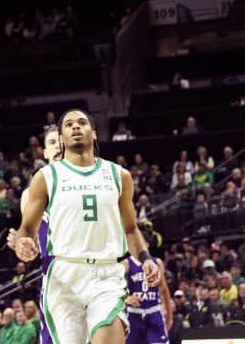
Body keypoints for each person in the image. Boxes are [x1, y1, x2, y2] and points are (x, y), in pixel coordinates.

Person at [14, 109, 160, 344]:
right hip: (64, 276)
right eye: (69, 124)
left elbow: (131, 229)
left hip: (106, 275)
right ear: (61, 139)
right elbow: (27, 229)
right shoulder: (46, 177)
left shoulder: (118, 175)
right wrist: (23, 243)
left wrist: (146, 258)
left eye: (82, 122)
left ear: (94, 133)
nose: (75, 127)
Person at [6, 127, 65, 344]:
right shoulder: (30, 195)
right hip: (55, 279)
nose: (58, 146)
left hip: (91, 274)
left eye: (61, 141)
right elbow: (33, 249)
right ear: (45, 153)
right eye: (52, 143)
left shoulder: (91, 184)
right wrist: (23, 247)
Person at [124, 253, 172, 344]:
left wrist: (170, 316)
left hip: (154, 311)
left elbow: (164, 290)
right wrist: (127, 298)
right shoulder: (126, 263)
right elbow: (117, 288)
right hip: (134, 312)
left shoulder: (157, 262)